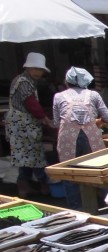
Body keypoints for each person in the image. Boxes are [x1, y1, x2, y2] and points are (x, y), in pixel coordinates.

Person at [52, 67, 108, 210]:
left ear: (67, 82)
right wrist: (97, 121)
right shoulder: (94, 95)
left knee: (69, 172)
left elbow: (56, 122)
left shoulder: (58, 96)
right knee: (99, 170)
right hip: (91, 136)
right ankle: (107, 205)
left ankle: (76, 209)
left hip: (67, 138)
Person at [5, 52, 54, 197]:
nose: (38, 72)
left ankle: (25, 185)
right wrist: (45, 119)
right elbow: (31, 103)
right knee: (34, 155)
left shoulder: (28, 80)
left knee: (25, 157)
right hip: (22, 125)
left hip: (23, 124)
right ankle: (43, 184)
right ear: (28, 68)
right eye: (35, 69)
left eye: (40, 70)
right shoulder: (23, 82)